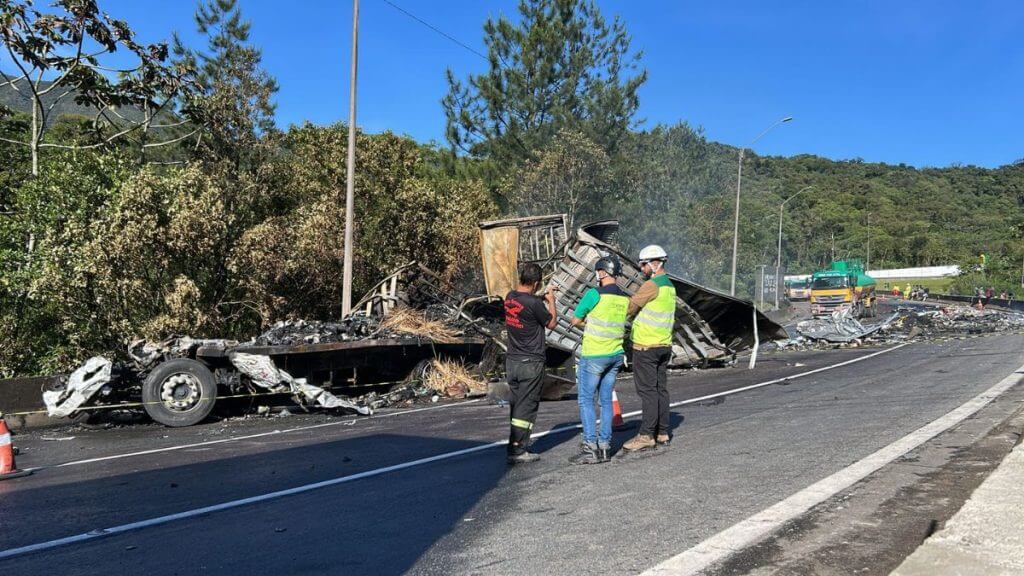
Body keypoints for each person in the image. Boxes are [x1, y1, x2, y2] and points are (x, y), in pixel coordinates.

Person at [569, 256, 629, 464]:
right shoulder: (624, 298)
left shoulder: (594, 294)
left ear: (602, 272)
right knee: (606, 402)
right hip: (615, 354)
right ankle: (605, 447)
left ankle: (590, 448)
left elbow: (575, 319)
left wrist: (588, 323)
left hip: (595, 354)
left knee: (586, 400)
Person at [503, 263, 558, 465]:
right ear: (536, 284)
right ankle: (518, 449)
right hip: (531, 363)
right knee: (526, 408)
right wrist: (551, 301)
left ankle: (514, 443)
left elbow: (527, 302)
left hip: (512, 361)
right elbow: (551, 323)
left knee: (516, 405)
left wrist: (542, 296)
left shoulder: (510, 297)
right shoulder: (535, 304)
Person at [623, 245, 676, 451]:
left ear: (655, 263)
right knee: (660, 390)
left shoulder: (651, 285)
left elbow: (629, 308)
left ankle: (646, 435)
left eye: (643, 264)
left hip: (646, 346)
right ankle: (662, 432)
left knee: (648, 392)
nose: (641, 268)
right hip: (663, 345)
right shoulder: (669, 286)